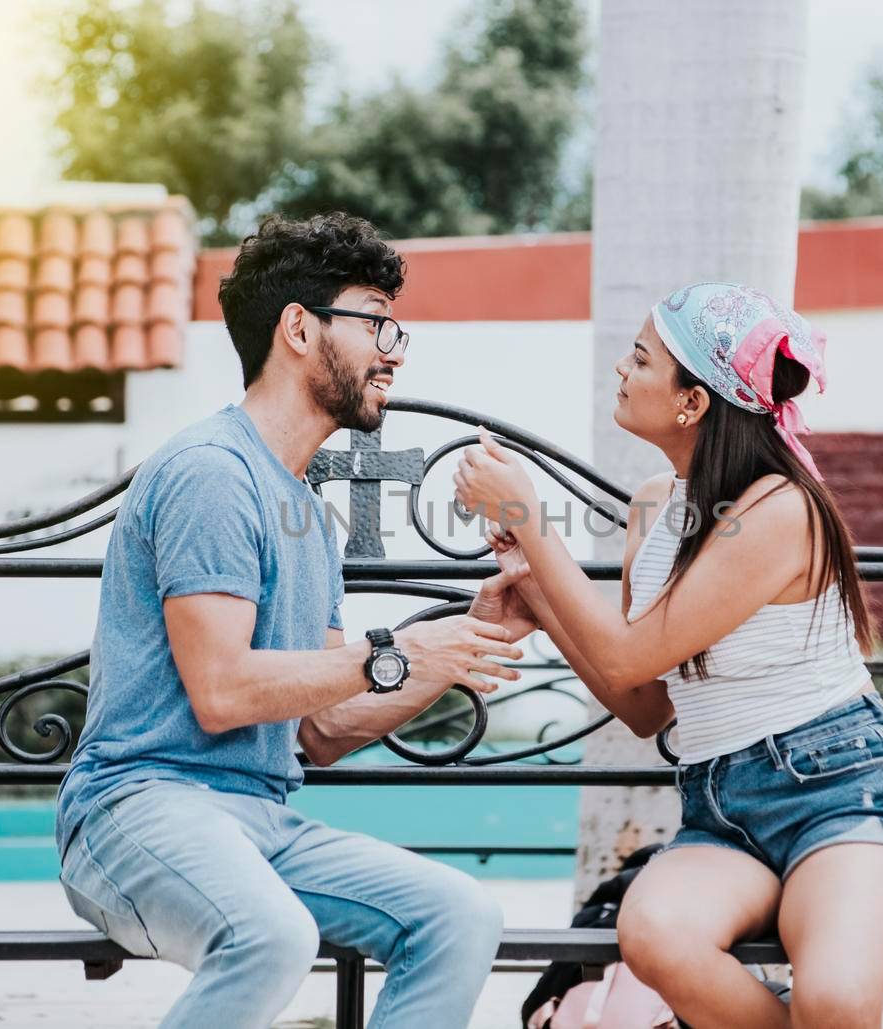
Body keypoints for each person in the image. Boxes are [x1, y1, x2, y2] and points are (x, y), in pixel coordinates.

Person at [56, 212, 535, 1029]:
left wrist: (463, 640)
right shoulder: (212, 473)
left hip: (262, 822)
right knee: (270, 933)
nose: (394, 347)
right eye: (376, 321)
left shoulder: (308, 515)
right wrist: (396, 651)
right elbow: (222, 689)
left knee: (459, 914)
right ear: (300, 328)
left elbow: (322, 728)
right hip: (136, 808)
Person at [454, 281, 883, 1029]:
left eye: (639, 359)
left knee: (835, 998)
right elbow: (642, 702)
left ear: (693, 402)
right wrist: (536, 593)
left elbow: (628, 657)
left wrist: (526, 518)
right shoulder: (654, 507)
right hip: (723, 806)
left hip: (846, 792)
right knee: (654, 933)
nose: (621, 373)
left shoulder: (778, 510)